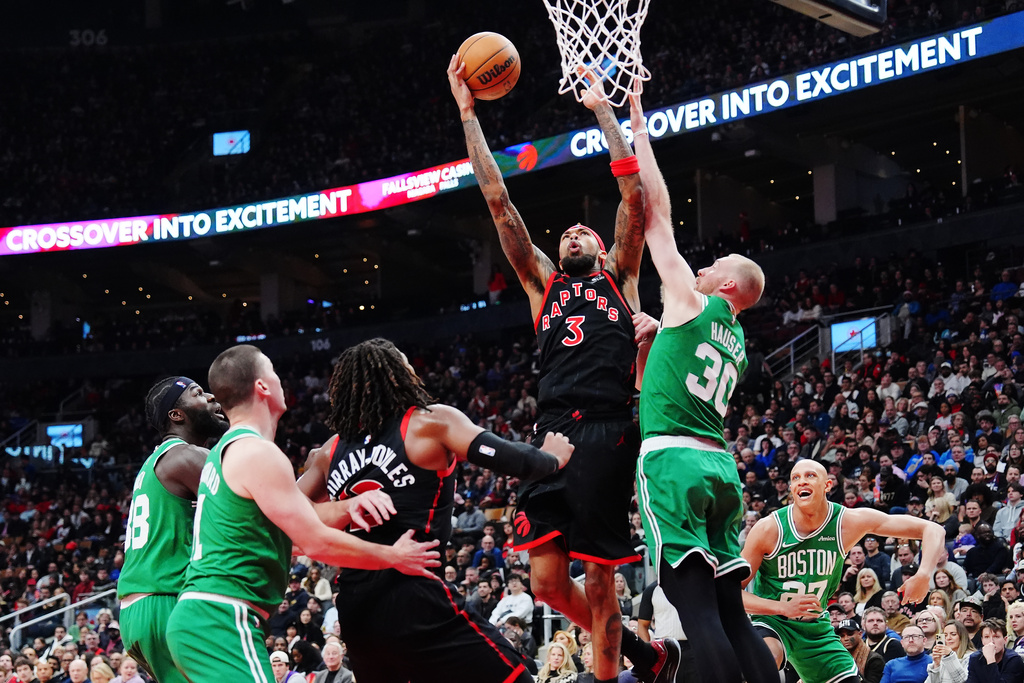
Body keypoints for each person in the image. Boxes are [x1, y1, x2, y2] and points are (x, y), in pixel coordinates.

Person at [449, 56, 649, 683]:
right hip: (552, 433)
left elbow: (633, 195)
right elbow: (498, 201)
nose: (573, 234)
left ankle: (613, 672)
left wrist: (604, 112)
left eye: (583, 231)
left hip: (609, 429)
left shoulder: (622, 276)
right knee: (544, 583)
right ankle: (640, 654)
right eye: (565, 234)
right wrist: (468, 114)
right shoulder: (543, 284)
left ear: (602, 248)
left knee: (601, 584)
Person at [301, 338, 574, 683]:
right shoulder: (429, 423)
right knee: (517, 677)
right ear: (396, 376)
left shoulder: (328, 452)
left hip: (356, 608)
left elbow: (281, 514)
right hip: (414, 591)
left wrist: (340, 507)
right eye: (405, 364)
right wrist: (552, 457)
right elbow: (514, 459)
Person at [165, 345, 442, 683]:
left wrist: (347, 506)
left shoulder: (225, 452)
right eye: (273, 372)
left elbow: (294, 528)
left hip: (200, 616)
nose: (280, 380)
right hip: (221, 616)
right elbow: (314, 542)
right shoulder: (257, 452)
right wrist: (394, 556)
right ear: (263, 386)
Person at [628, 85, 775, 683]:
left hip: (674, 463)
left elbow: (657, 216)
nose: (705, 267)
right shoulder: (734, 339)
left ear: (729, 287)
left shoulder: (693, 300)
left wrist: (637, 125)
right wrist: (651, 342)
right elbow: (659, 386)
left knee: (697, 614)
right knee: (732, 614)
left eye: (716, 268)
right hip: (719, 469)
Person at [743, 460, 946, 683]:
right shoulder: (769, 528)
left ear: (827, 485)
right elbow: (730, 592)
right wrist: (781, 607)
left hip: (816, 628)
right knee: (766, 659)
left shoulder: (847, 522)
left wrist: (924, 574)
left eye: (810, 475)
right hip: (773, 621)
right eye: (796, 478)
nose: (802, 481)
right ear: (791, 489)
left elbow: (933, 529)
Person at [118, 376, 230, 683]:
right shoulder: (186, 456)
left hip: (140, 609)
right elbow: (261, 503)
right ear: (177, 415)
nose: (211, 397)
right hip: (166, 600)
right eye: (198, 393)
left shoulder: (155, 463)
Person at [965, 618, 1024, 683]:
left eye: (996, 637)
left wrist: (991, 660)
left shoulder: (1014, 660)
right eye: (987, 637)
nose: (991, 641)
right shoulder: (975, 658)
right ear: (982, 640)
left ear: (1005, 640)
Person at [837, 619, 885, 683]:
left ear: (860, 634)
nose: (846, 638)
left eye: (850, 634)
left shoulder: (874, 659)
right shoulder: (836, 658)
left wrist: (851, 670)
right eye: (842, 636)